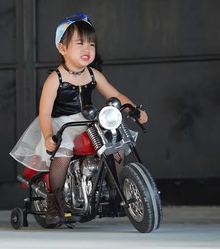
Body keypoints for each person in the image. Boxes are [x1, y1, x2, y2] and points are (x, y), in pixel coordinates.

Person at [10, 13, 148, 225]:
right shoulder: (55, 78)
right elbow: (45, 112)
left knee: (116, 143)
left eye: (91, 44)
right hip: (60, 124)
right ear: (62, 48)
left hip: (87, 121)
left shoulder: (93, 74)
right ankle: (55, 204)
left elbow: (116, 95)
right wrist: (48, 135)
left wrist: (134, 109)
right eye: (80, 43)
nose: (87, 49)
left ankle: (114, 191)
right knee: (62, 152)